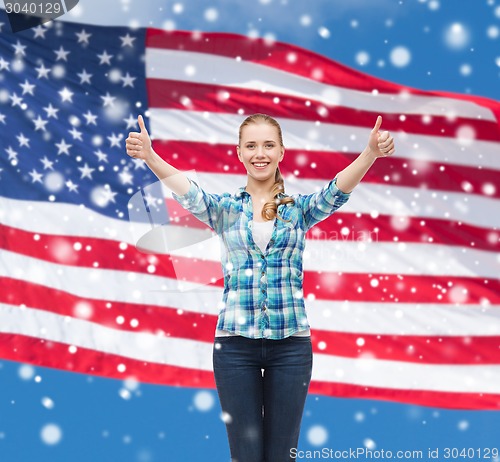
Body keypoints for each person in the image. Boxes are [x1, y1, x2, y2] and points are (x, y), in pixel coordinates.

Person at [125, 113, 395, 461]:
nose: (260, 153)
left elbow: (336, 191)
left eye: (268, 145)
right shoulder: (224, 210)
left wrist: (369, 153)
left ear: (281, 152)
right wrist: (149, 156)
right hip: (235, 348)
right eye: (251, 145)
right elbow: (189, 193)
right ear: (239, 153)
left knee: (283, 456)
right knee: (246, 455)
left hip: (291, 349)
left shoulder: (297, 211)